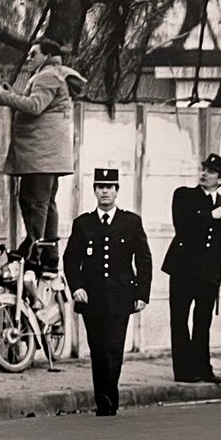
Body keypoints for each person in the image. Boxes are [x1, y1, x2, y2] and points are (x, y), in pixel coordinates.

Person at [63, 168, 152, 416]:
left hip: (121, 296)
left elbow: (144, 260)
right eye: (100, 186)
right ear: (94, 190)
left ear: (116, 191)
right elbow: (71, 259)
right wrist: (77, 287)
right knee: (98, 349)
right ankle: (105, 400)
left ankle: (107, 398)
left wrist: (142, 294)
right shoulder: (83, 223)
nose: (104, 191)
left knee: (114, 347)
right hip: (92, 298)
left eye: (109, 186)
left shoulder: (131, 222)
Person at [0, 38, 73, 272]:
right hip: (44, 155)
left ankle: (35, 251)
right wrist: (12, 93)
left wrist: (4, 96)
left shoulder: (47, 76)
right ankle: (47, 253)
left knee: (35, 202)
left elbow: (35, 106)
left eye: (33, 54)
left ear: (46, 56)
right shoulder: (50, 74)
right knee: (41, 202)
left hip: (41, 155)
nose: (29, 58)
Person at [163, 153, 221, 384]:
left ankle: (204, 369)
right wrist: (210, 216)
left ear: (220, 179)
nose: (203, 174)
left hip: (208, 274)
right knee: (179, 320)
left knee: (203, 323)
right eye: (203, 169)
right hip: (183, 270)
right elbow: (182, 225)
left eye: (210, 172)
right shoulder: (184, 195)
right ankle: (183, 371)